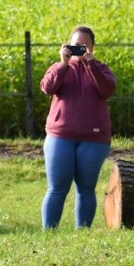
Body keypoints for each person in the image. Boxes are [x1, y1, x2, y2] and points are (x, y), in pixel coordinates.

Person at [39, 25, 116, 229]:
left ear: (92, 47)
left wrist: (91, 66)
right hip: (60, 136)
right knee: (56, 188)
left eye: (84, 46)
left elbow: (107, 90)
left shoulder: (102, 69)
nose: (80, 49)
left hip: (94, 139)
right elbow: (47, 87)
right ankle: (49, 233)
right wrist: (63, 64)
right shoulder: (59, 67)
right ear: (67, 46)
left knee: (86, 188)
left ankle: (82, 233)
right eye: (76, 45)